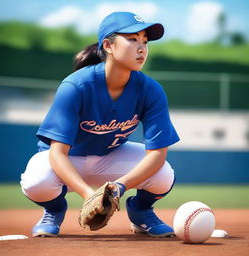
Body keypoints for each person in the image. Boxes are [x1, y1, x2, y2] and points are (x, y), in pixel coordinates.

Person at [20, 11, 180, 238]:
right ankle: (54, 211)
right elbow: (57, 154)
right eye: (132, 39)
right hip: (68, 159)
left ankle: (141, 212)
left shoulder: (150, 90)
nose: (142, 47)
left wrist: (119, 187)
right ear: (108, 45)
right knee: (36, 182)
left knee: (163, 174)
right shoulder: (76, 86)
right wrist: (89, 196)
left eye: (145, 41)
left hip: (109, 156)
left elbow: (157, 154)